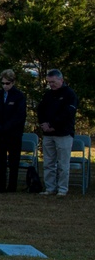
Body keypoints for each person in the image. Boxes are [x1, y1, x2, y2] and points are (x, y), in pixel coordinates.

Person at [37, 68, 78, 196]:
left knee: (63, 164)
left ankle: (62, 189)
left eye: (53, 82)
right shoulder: (48, 95)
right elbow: (41, 110)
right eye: (49, 82)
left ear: (61, 80)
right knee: (48, 163)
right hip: (48, 134)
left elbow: (68, 113)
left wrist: (53, 125)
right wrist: (44, 124)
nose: (51, 85)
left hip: (63, 134)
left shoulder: (69, 94)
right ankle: (50, 188)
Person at [0, 69, 27, 193]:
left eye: (7, 83)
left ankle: (12, 186)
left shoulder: (19, 96)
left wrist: (7, 126)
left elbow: (19, 115)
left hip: (13, 133)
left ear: (13, 82)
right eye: (3, 83)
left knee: (14, 161)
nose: (5, 86)